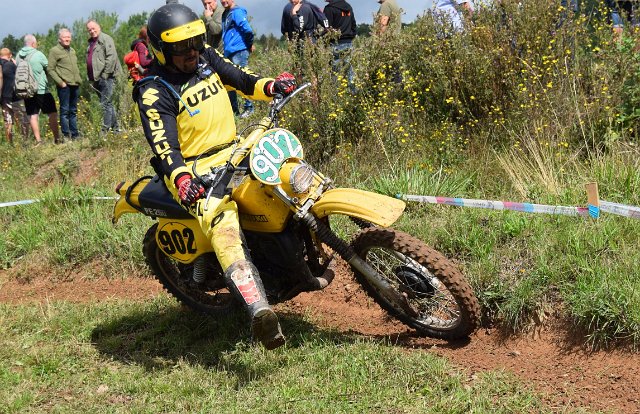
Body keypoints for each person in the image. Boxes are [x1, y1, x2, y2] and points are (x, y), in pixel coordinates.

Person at [139, 3, 296, 349]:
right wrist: (182, 180)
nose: (191, 51)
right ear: (161, 49)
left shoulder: (206, 57)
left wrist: (271, 86)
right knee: (222, 223)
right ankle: (259, 310)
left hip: (234, 149)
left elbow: (241, 78)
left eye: (195, 41)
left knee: (288, 176)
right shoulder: (154, 90)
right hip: (194, 170)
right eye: (181, 46)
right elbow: (165, 147)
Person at [17, 35, 60, 145]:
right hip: (41, 89)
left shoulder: (18, 56)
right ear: (33, 43)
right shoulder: (38, 54)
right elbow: (49, 68)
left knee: (33, 115)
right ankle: (57, 138)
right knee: (52, 113)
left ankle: (38, 140)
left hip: (26, 90)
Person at [221, 0, 256, 118]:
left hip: (239, 51)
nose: (223, 1)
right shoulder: (226, 14)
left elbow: (248, 30)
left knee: (242, 79)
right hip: (229, 52)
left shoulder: (237, 12)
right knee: (229, 81)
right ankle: (234, 111)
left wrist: (248, 45)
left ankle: (249, 108)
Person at [86, 19, 122, 133]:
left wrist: (105, 75)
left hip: (106, 77)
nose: (92, 31)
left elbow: (111, 57)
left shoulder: (106, 39)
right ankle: (116, 130)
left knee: (105, 104)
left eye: (93, 28)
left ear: (99, 27)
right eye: (89, 30)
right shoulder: (91, 43)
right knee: (108, 103)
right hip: (96, 78)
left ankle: (105, 130)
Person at [48, 28, 82, 140]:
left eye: (68, 37)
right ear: (59, 39)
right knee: (65, 111)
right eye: (64, 37)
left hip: (75, 84)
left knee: (73, 111)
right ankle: (66, 136)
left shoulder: (72, 50)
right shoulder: (54, 51)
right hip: (64, 86)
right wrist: (60, 82)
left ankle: (75, 135)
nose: (67, 39)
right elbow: (50, 69)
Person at [324, 0, 357, 91]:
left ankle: (336, 95)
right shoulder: (348, 7)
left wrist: (323, 41)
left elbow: (327, 28)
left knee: (335, 72)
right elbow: (353, 25)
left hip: (335, 44)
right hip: (348, 43)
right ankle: (353, 93)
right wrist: (350, 37)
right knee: (350, 71)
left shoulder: (329, 9)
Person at [0, 48, 28, 144]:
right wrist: (16, 64)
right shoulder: (11, 65)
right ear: (10, 55)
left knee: (8, 120)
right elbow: (19, 78)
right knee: (22, 119)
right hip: (15, 97)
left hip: (4, 98)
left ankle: (10, 143)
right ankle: (24, 141)